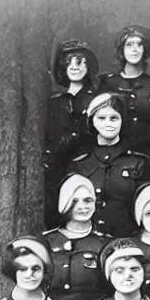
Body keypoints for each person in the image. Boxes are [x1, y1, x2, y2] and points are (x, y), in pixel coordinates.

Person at [68, 92, 150, 237]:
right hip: (88, 239)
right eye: (101, 118)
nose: (108, 124)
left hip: (129, 238)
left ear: (122, 121)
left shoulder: (138, 162)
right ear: (92, 122)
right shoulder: (80, 165)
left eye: (114, 118)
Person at [43, 39, 99, 229]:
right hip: (57, 171)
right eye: (71, 62)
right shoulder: (54, 102)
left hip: (89, 167)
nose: (77, 67)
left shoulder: (96, 100)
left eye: (82, 62)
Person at [43, 173, 111, 300]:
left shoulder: (104, 244)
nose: (82, 207)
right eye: (75, 201)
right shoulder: (47, 241)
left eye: (88, 200)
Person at [97, 25, 150, 156]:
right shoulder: (108, 84)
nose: (134, 49)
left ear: (145, 49)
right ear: (122, 49)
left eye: (139, 45)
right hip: (115, 156)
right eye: (129, 45)